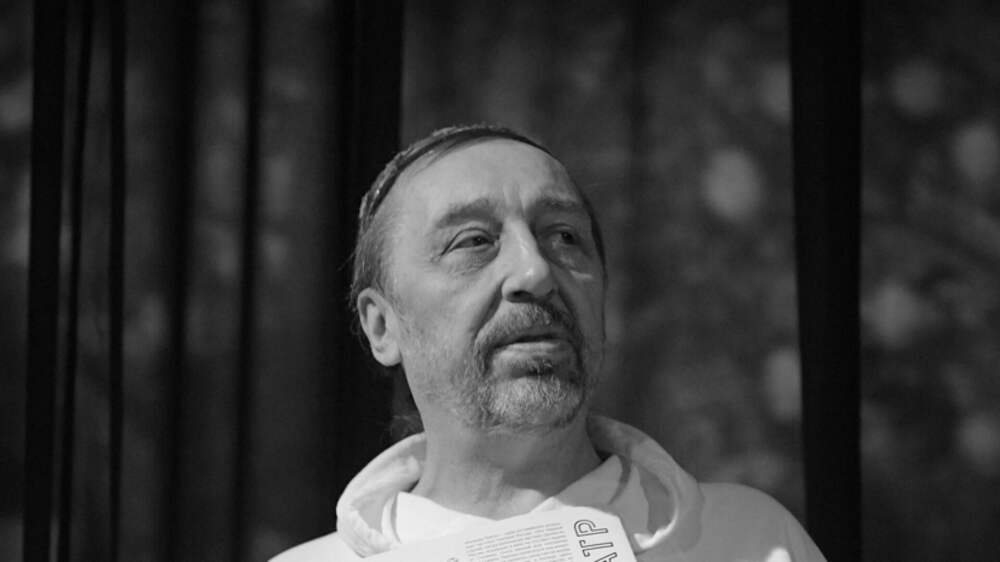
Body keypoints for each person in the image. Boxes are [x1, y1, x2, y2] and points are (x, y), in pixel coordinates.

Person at [272, 124, 825, 561]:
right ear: (381, 326)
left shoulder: (751, 543)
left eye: (564, 236)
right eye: (473, 241)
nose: (535, 272)